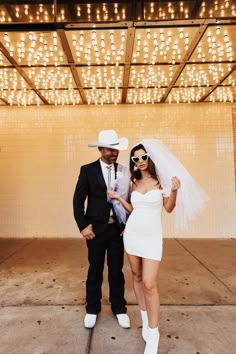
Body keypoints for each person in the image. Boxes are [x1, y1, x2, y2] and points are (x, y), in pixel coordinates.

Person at [108, 139, 207, 354]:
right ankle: (145, 320)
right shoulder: (133, 182)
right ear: (133, 161)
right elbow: (133, 209)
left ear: (149, 158)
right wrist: (117, 197)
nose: (141, 161)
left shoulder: (161, 181)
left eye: (144, 157)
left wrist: (174, 191)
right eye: (136, 158)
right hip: (133, 234)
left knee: (149, 283)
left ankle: (154, 332)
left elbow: (169, 209)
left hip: (152, 236)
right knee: (136, 275)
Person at [73, 130, 131, 330]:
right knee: (95, 269)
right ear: (100, 149)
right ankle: (92, 309)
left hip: (117, 230)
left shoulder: (124, 170)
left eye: (116, 149)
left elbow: (130, 200)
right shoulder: (87, 170)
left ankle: (119, 308)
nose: (114, 152)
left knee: (117, 270)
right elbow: (78, 200)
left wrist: (127, 225)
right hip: (95, 230)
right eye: (110, 149)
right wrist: (83, 226)